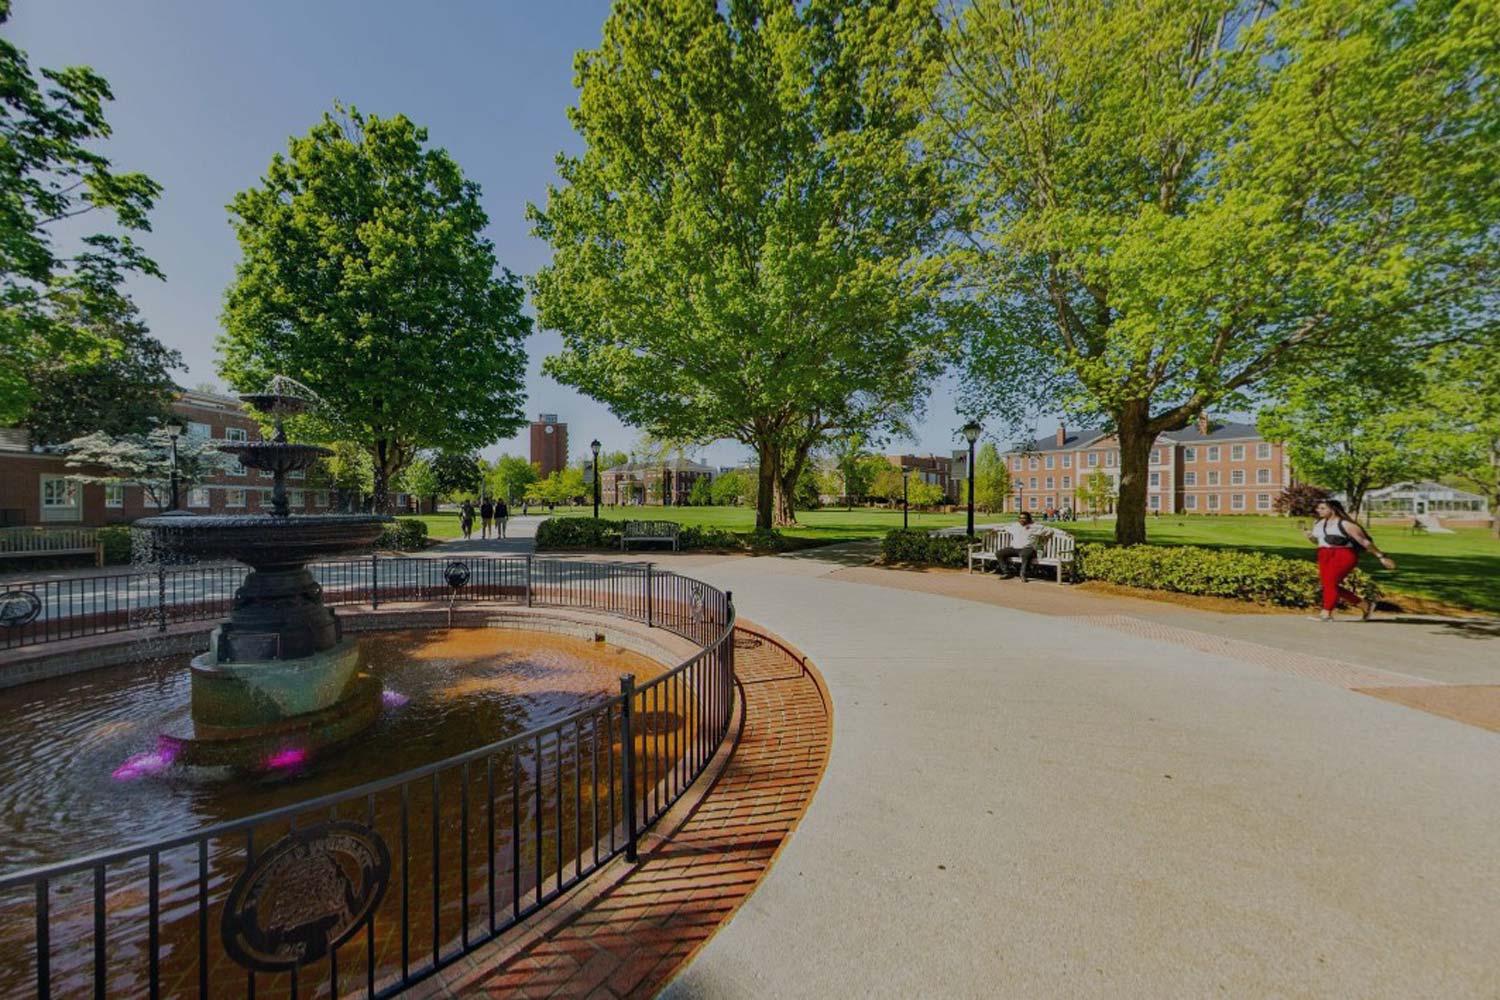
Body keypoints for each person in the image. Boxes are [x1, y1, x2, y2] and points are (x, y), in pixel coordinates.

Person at [1303, 498, 1396, 621]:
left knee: (1330, 584)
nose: (1318, 510)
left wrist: (1381, 557)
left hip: (1344, 555)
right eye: (1318, 508)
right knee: (1328, 585)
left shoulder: (1346, 524)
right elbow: (1318, 541)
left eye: (1322, 508)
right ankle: (1365, 605)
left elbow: (1364, 542)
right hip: (1324, 554)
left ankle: (1326, 614)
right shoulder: (1318, 523)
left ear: (1333, 509)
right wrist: (1310, 537)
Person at [996, 511, 1050, 581]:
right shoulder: (1015, 526)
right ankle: (1007, 573)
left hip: (1028, 548)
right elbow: (1005, 528)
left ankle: (1023, 574)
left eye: (1024, 518)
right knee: (999, 553)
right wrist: (995, 529)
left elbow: (1050, 530)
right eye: (1020, 518)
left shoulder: (1035, 527)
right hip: (1014, 548)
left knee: (1024, 554)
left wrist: (1063, 534)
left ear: (1029, 519)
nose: (1022, 519)